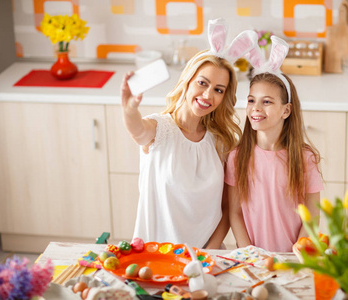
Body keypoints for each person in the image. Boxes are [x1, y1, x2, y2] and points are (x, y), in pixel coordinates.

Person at [121, 19, 258, 249]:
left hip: (206, 257)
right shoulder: (160, 130)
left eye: (218, 90)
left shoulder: (221, 142)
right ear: (187, 81)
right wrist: (129, 110)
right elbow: (138, 130)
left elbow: (227, 208)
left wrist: (207, 254)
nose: (207, 95)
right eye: (202, 83)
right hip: (157, 258)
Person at [225, 36, 324, 252]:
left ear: (286, 110)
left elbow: (313, 214)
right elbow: (234, 212)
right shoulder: (236, 158)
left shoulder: (305, 159)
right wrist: (249, 252)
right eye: (251, 100)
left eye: (267, 101)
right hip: (252, 258)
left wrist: (298, 249)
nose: (256, 108)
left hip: (293, 258)